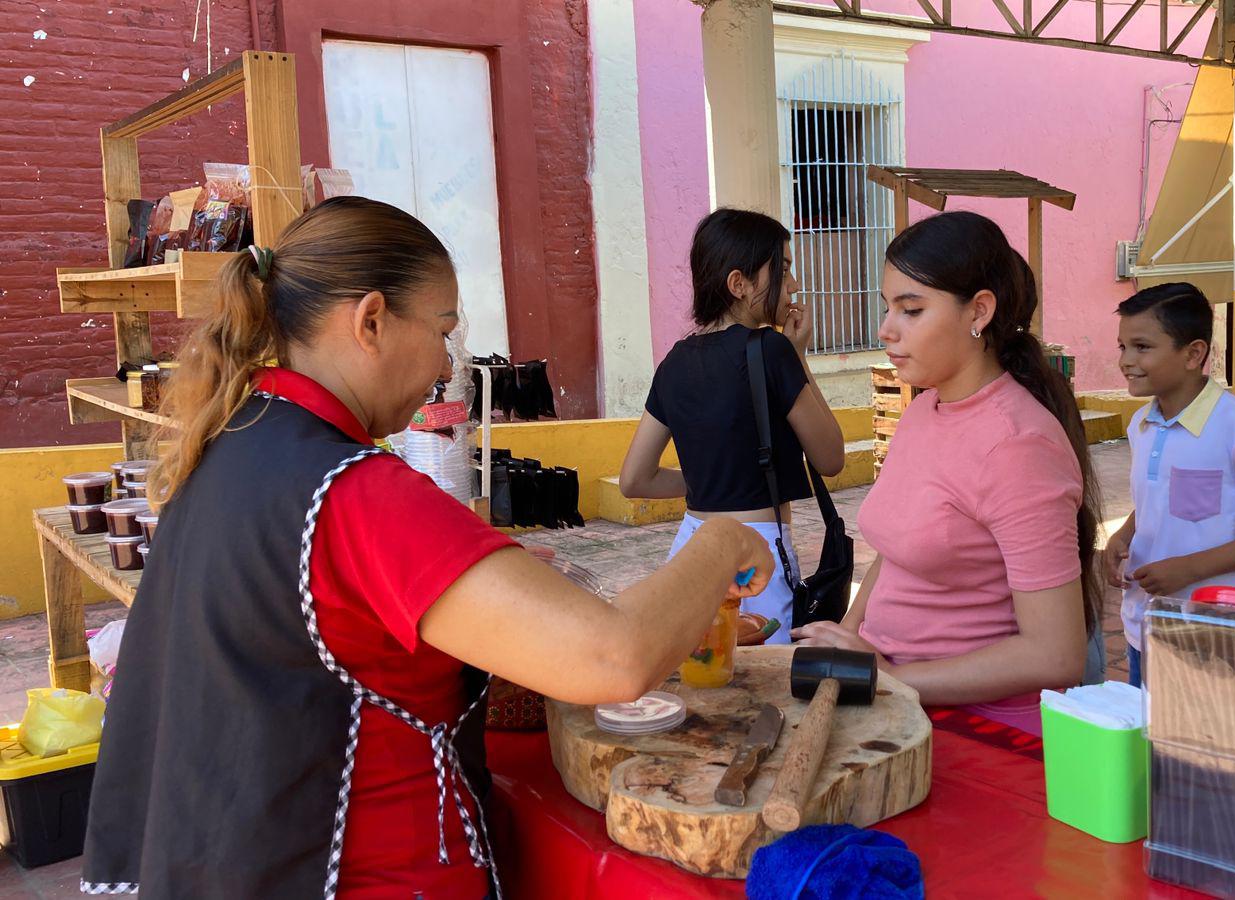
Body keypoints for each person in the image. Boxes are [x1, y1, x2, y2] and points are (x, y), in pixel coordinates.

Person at [81, 198, 776, 898]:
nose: (446, 363)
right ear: (372, 321)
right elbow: (612, 657)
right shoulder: (355, 493)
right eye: (443, 329)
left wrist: (479, 582)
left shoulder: (233, 442)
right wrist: (721, 537)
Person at [790, 211, 1104, 736]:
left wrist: (889, 676)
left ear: (979, 311)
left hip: (981, 735)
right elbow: (895, 556)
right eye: (887, 307)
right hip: (898, 709)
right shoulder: (923, 410)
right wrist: (846, 641)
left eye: (911, 310)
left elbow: (1056, 654)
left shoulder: (1017, 444)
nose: (886, 329)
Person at [620, 208, 844, 644]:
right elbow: (831, 457)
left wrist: (708, 481)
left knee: (702, 673)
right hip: (754, 557)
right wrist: (799, 356)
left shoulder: (674, 362)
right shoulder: (773, 350)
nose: (794, 285)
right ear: (738, 284)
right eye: (782, 270)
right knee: (763, 687)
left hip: (691, 547)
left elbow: (635, 479)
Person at [1100, 283, 1235, 688]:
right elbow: (1163, 498)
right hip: (1146, 623)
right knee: (1151, 741)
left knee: (1200, 746)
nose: (1126, 361)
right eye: (1122, 347)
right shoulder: (1141, 424)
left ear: (1194, 354)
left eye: (1142, 347)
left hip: (1215, 634)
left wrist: (1189, 570)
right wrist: (1124, 534)